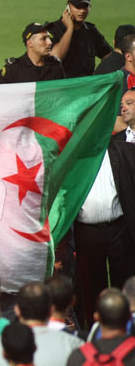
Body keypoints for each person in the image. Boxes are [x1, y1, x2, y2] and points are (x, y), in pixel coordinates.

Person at [74, 138, 135, 325]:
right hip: (87, 231)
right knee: (91, 284)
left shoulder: (123, 150)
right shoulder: (73, 155)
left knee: (124, 278)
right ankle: (96, 327)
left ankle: (126, 326)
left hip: (119, 227)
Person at [46, 0, 112, 78]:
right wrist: (70, 29)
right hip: (63, 87)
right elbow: (55, 58)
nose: (82, 11)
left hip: (86, 85)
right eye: (78, 6)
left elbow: (108, 55)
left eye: (85, 6)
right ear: (68, 6)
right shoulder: (54, 29)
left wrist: (99, 75)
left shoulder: (91, 31)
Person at [0, 22, 66, 83]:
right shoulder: (14, 69)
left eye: (49, 38)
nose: (49, 42)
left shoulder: (55, 66)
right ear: (30, 43)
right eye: (43, 39)